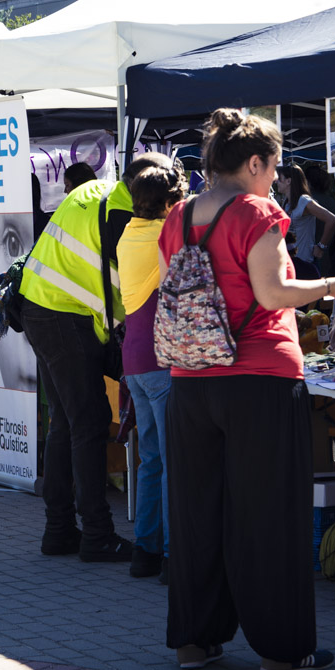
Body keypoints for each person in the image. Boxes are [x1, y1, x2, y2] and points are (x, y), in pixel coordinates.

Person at [162, 110, 335, 670]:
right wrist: (332, 286)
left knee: (198, 512)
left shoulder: (179, 215)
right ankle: (283, 649)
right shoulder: (255, 211)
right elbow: (273, 292)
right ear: (253, 162)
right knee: (269, 516)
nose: (276, 179)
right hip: (259, 377)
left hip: (190, 380)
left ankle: (194, 640)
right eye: (274, 167)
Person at [19, 152, 159, 563]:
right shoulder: (125, 217)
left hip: (40, 307)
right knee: (88, 423)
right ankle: (96, 534)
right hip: (65, 316)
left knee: (64, 424)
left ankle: (59, 529)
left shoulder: (93, 190)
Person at [116, 158, 186, 581]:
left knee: (151, 459)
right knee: (175, 461)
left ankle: (145, 551)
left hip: (134, 359)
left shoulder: (128, 233)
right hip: (161, 359)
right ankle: (174, 555)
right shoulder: (166, 234)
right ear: (167, 203)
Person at [275, 165, 335, 278]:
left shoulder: (304, 201)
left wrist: (321, 246)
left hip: (304, 264)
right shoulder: (287, 202)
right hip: (291, 263)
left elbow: (332, 220)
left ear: (289, 181)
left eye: (280, 179)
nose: (276, 182)